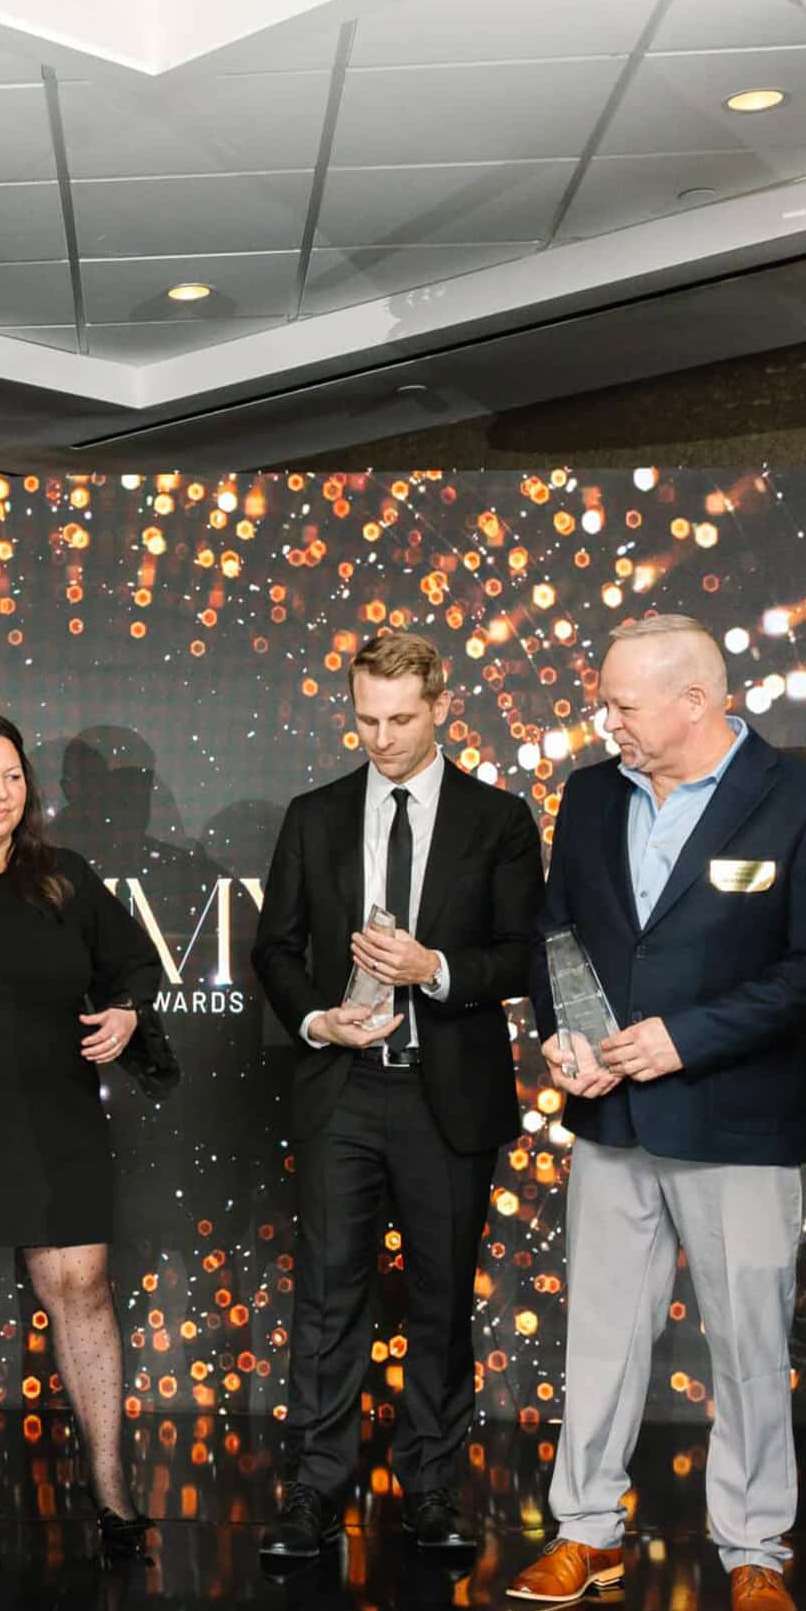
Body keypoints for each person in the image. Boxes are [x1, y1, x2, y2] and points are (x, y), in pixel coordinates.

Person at [507, 613, 806, 1611]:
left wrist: (685, 1040)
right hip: (610, 1115)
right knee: (599, 1340)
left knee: (747, 1342)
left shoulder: (805, 801)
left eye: (620, 705)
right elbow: (556, 935)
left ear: (694, 702)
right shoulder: (591, 793)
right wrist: (562, 1034)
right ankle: (586, 1532)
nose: (605, 722)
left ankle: (755, 1550)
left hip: (737, 1121)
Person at [248, 630, 543, 1560]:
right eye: (367, 719)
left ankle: (432, 1488)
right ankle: (314, 1491)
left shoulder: (498, 819)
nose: (381, 738)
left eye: (401, 719)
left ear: (441, 705)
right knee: (326, 1299)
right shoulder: (315, 815)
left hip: (444, 1096)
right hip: (342, 1088)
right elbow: (274, 949)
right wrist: (317, 1020)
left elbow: (523, 956)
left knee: (441, 1300)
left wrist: (435, 968)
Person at [0, 710, 160, 1555]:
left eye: (13, 776)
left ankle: (112, 1490)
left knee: (82, 1289)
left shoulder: (64, 879)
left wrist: (126, 1014)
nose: (1, 793)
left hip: (56, 1118)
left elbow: (133, 968)